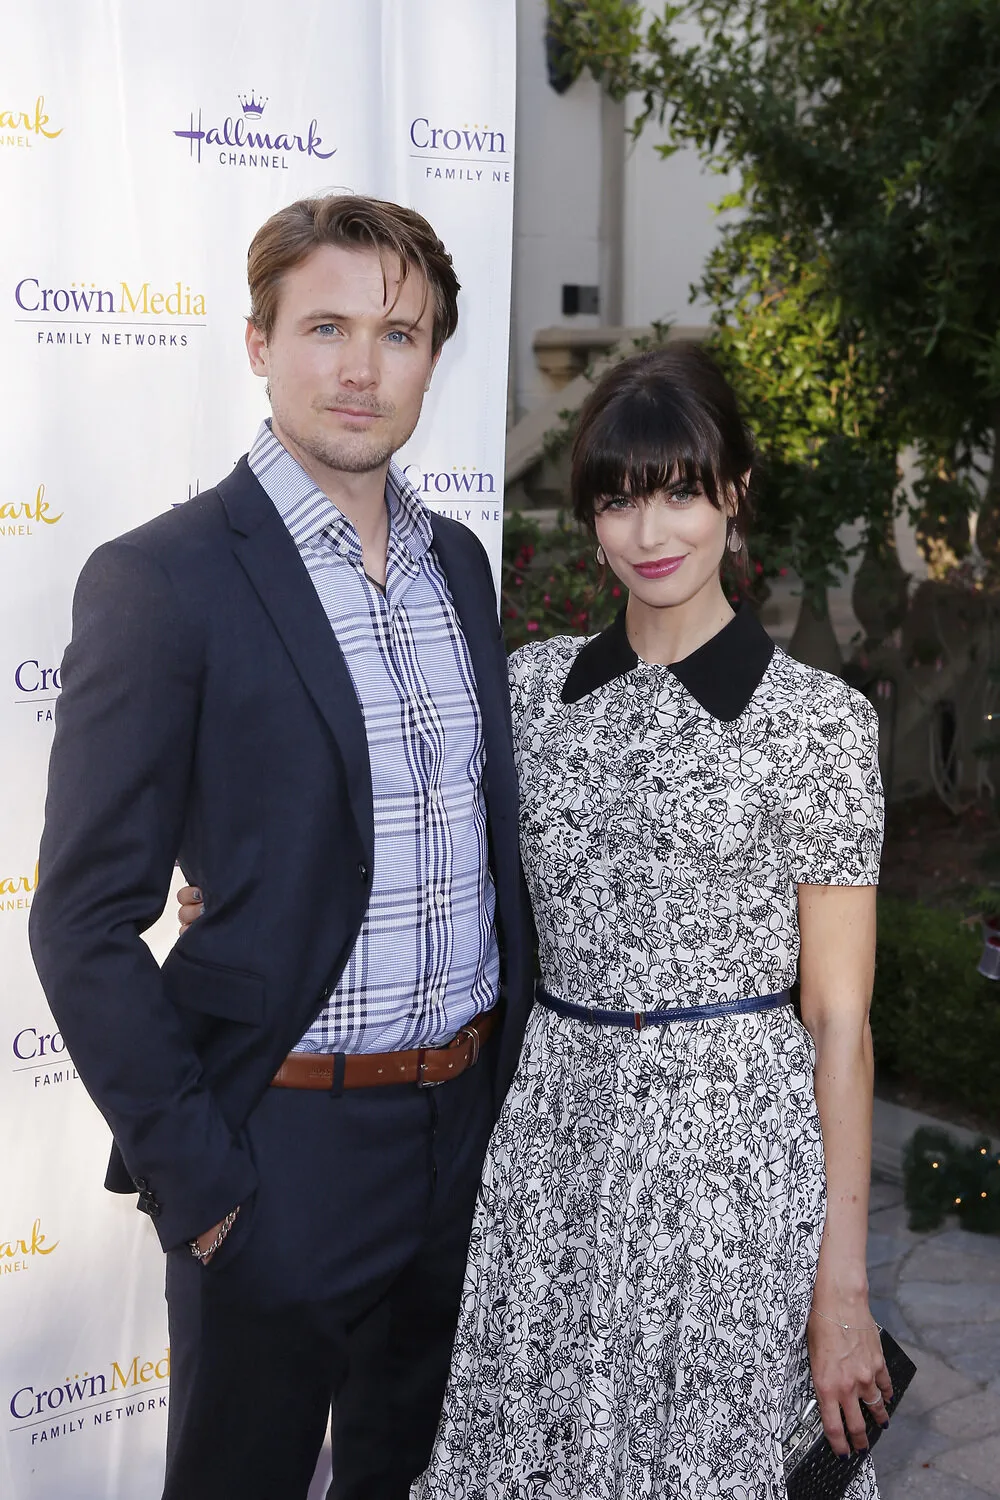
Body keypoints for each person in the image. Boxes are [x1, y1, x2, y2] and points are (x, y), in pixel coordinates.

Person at [28, 194, 532, 1500]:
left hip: (454, 1136)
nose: (362, 368)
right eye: (325, 327)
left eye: (401, 333)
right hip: (282, 1153)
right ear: (258, 343)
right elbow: (80, 918)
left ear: (436, 354)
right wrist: (211, 1194)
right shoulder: (167, 580)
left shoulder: (459, 568)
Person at [407, 343, 892, 1498]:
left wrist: (843, 1288)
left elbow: (839, 1022)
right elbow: (426, 864)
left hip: (733, 1166)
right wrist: (235, 890)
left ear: (734, 492)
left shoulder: (815, 726)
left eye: (679, 488)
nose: (649, 528)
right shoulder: (529, 694)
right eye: (619, 498)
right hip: (555, 1148)